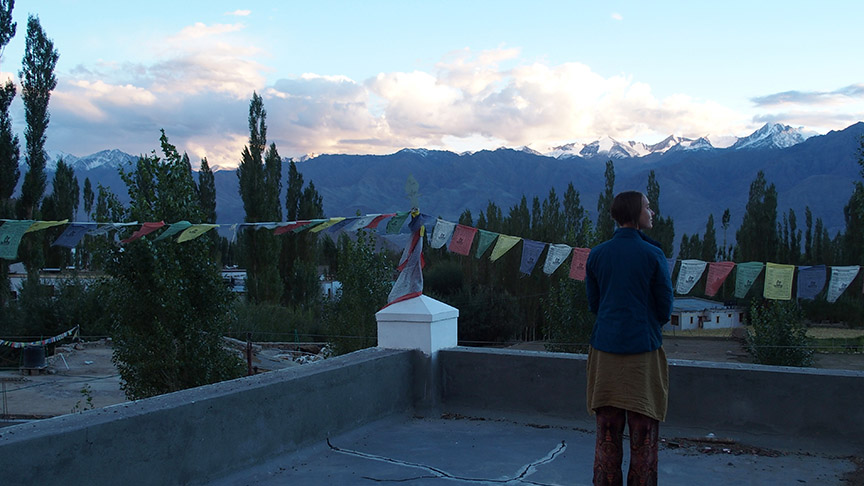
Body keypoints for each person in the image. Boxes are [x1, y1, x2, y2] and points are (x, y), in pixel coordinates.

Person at [585, 190, 673, 486]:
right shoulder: (652, 255)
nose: (652, 213)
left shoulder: (597, 254)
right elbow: (665, 308)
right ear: (636, 214)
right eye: (648, 207)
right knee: (643, 438)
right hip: (642, 357)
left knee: (607, 436)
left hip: (605, 355)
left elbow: (594, 305)